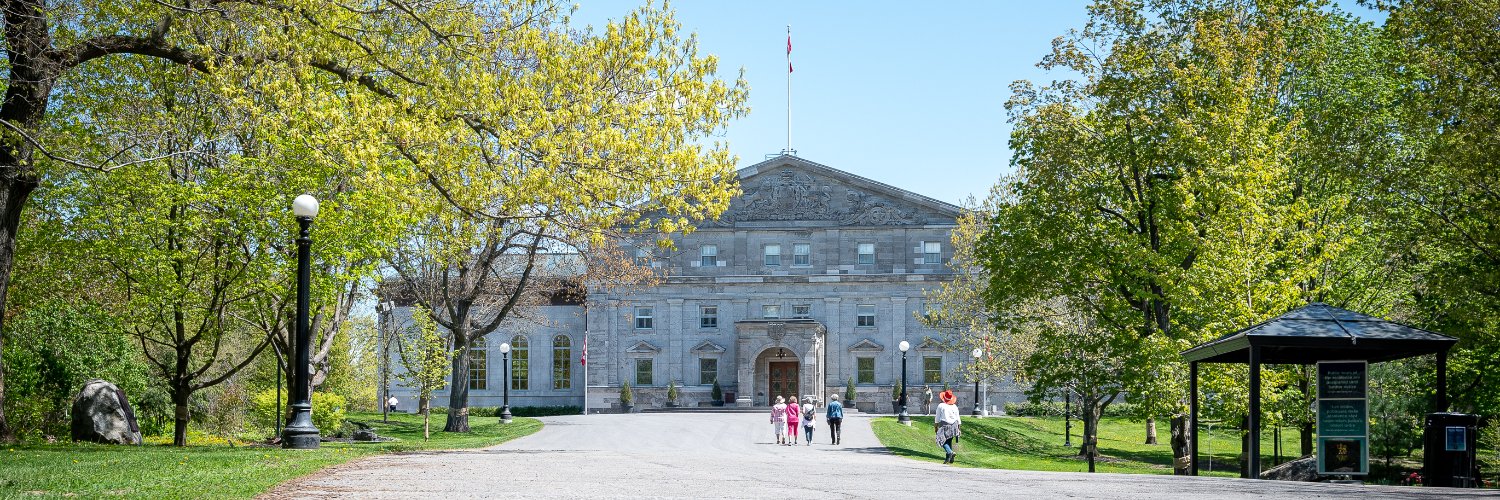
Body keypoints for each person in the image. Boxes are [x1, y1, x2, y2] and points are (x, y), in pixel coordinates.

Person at [934, 389, 962, 464]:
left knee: (941, 440)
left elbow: (937, 418)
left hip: (945, 425)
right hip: (954, 426)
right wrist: (959, 428)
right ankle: (948, 459)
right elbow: (958, 418)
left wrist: (936, 427)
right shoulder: (955, 406)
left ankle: (950, 452)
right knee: (948, 441)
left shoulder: (941, 406)